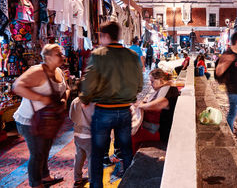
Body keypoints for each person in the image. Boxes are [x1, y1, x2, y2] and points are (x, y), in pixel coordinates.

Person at [80, 21, 143, 188]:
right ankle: (131, 183)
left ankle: (96, 186)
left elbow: (88, 83)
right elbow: (139, 84)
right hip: (124, 111)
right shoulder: (131, 55)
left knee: (98, 152)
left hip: (104, 112)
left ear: (105, 35)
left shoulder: (99, 55)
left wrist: (85, 99)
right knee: (126, 150)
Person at [13, 44, 69, 188]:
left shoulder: (58, 71)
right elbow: (17, 86)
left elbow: (66, 88)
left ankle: (45, 176)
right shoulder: (37, 71)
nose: (63, 57)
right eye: (59, 54)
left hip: (48, 120)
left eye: (62, 54)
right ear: (48, 57)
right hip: (30, 120)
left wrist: (64, 99)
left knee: (45, 149)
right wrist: (42, 98)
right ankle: (36, 183)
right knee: (37, 153)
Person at [131, 68, 180, 154]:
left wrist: (141, 106)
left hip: (158, 131)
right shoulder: (164, 89)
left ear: (160, 80)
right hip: (154, 128)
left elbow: (159, 104)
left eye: (152, 81)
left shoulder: (169, 89)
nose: (150, 84)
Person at [69, 97, 95, 188]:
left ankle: (77, 179)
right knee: (92, 159)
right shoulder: (95, 101)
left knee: (79, 156)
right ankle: (93, 181)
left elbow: (71, 116)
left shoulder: (75, 101)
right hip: (90, 135)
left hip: (78, 133)